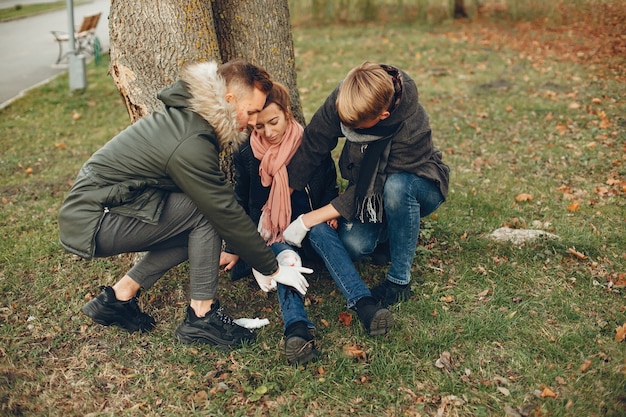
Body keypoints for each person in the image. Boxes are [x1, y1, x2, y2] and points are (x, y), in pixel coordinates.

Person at [58, 59, 311, 349]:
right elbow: (222, 210)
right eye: (251, 111)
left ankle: (117, 298)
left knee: (198, 226)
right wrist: (273, 267)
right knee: (206, 213)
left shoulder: (193, 119)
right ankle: (201, 317)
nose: (254, 121)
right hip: (94, 219)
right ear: (229, 100)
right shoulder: (191, 138)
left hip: (107, 208)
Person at [283, 61, 450, 334]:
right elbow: (314, 141)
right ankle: (388, 236)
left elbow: (372, 188)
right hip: (369, 195)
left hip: (417, 184)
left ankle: (399, 281)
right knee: (353, 245)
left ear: (383, 115)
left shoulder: (411, 127)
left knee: (396, 189)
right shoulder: (349, 95)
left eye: (356, 126)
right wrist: (284, 192)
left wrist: (307, 220)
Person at [219, 82, 338, 364]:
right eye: (259, 127)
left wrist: (331, 211)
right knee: (284, 258)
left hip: (307, 227)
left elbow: (330, 184)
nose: (268, 132)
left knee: (297, 250)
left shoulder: (310, 144)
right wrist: (235, 246)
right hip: (271, 235)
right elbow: (241, 203)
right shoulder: (247, 153)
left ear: (287, 112)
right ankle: (296, 329)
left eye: (273, 122)